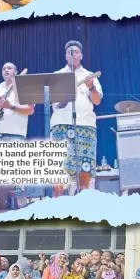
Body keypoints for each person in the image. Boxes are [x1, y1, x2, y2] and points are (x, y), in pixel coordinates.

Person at [49, 40, 103, 194]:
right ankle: (57, 207)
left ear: (81, 55)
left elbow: (97, 100)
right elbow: (54, 102)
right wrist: (65, 97)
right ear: (66, 56)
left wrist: (91, 87)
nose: (73, 54)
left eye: (76, 51)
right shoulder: (57, 75)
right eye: (69, 52)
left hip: (86, 124)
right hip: (61, 124)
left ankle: (83, 202)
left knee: (84, 166)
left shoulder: (89, 76)